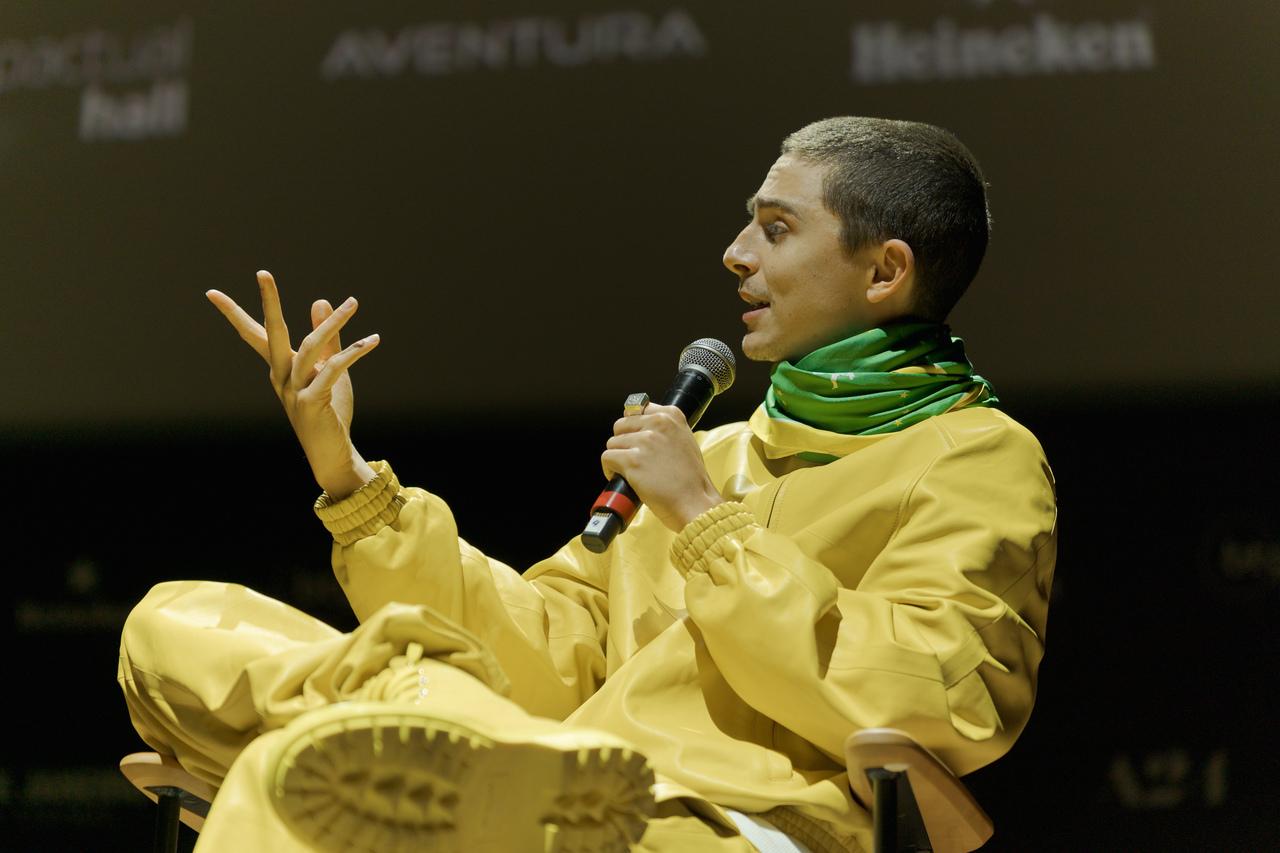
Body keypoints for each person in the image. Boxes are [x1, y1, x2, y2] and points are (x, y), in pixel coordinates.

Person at [118, 116, 1057, 853]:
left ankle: (403, 739)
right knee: (177, 619)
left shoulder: (976, 454)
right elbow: (542, 651)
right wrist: (348, 473)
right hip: (569, 767)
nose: (735, 254)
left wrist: (701, 519)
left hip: (734, 817)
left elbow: (942, 694)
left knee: (345, 747)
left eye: (774, 229)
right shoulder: (715, 451)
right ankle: (420, 731)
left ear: (887, 269)